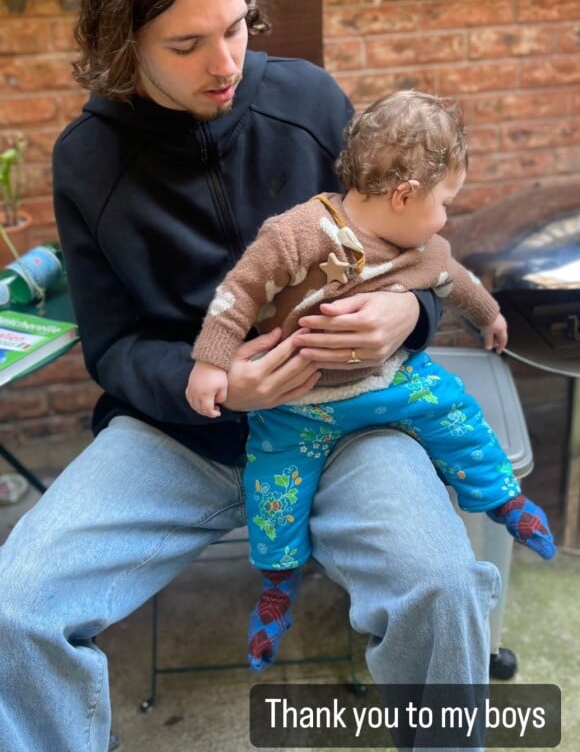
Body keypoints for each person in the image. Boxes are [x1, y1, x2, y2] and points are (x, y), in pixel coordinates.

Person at [0, 0, 500, 752]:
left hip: (349, 418)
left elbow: (409, 236)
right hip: (178, 439)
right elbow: (114, 348)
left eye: (234, 26)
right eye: (186, 44)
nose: (224, 61)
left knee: (444, 583)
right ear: (125, 42)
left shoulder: (307, 100)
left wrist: (406, 313)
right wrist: (220, 386)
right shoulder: (87, 161)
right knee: (14, 606)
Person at [187, 90, 555, 670]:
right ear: (405, 195)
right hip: (295, 406)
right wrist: (211, 360)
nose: (446, 220)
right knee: (274, 491)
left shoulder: (424, 248)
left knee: (458, 416)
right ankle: (278, 586)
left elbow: (456, 281)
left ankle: (504, 500)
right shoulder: (297, 233)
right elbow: (239, 292)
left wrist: (491, 316)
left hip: (392, 385)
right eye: (446, 204)